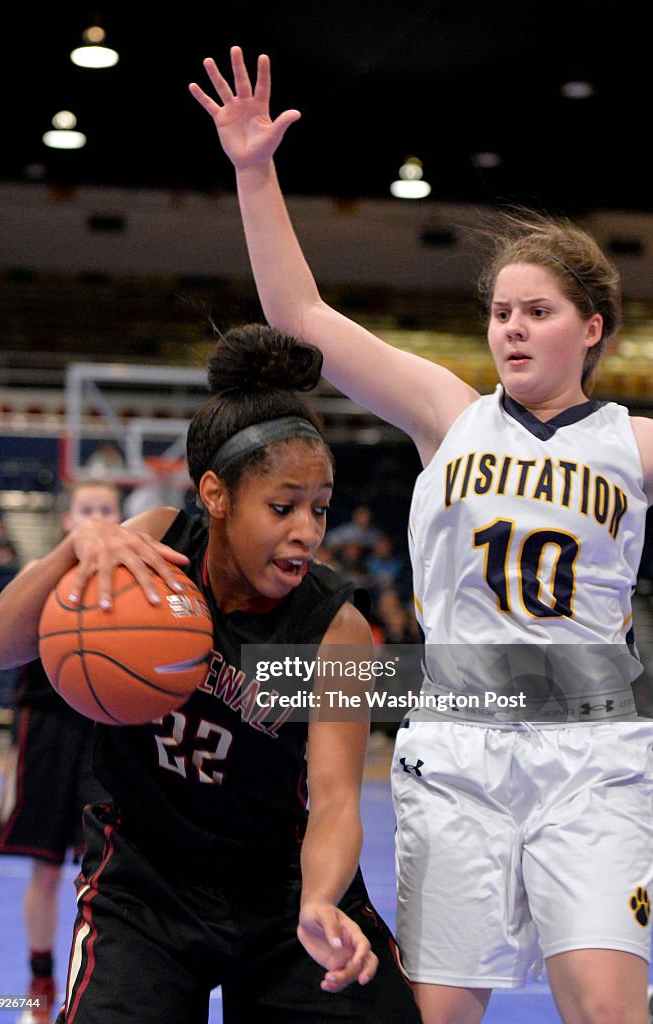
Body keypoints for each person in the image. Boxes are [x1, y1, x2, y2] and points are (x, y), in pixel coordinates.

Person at [189, 47, 653, 1024]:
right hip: (460, 754)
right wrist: (253, 169)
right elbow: (299, 314)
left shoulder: (634, 443)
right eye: (499, 313)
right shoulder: (447, 411)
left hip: (592, 755)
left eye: (538, 311)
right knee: (435, 1017)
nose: (512, 329)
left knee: (609, 1009)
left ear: (594, 327)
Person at [0, 326, 419, 1024]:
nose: (307, 530)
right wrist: (74, 549)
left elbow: (336, 799)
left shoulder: (329, 627)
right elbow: (0, 648)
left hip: (278, 891)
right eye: (282, 507)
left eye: (319, 508)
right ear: (214, 495)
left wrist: (318, 902)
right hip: (142, 884)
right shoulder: (152, 546)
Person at [0, 481, 121, 1024]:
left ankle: (104, 983)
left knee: (108, 872)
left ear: (121, 517)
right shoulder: (39, 577)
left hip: (107, 733)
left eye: (106, 509)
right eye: (86, 509)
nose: (95, 517)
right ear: (69, 519)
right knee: (44, 871)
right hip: (45, 731)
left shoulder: (139, 588)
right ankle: (40, 987)